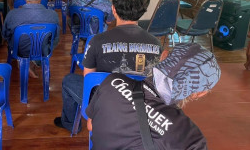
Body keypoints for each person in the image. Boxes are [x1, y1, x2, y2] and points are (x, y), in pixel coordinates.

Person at [54, 0, 162, 133]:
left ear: (113, 9)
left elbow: (89, 80)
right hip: (139, 107)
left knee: (69, 80)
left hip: (104, 106)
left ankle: (70, 123)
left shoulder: (97, 41)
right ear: (142, 11)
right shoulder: (156, 44)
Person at [86, 43, 221, 150]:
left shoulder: (112, 81)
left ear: (163, 56)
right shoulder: (191, 139)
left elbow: (91, 125)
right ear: (199, 93)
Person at [2, 0, 60, 78]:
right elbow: (55, 39)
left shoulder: (12, 14)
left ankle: (21, 60)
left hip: (19, 50)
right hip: (42, 51)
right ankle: (34, 61)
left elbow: (5, 35)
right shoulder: (53, 15)